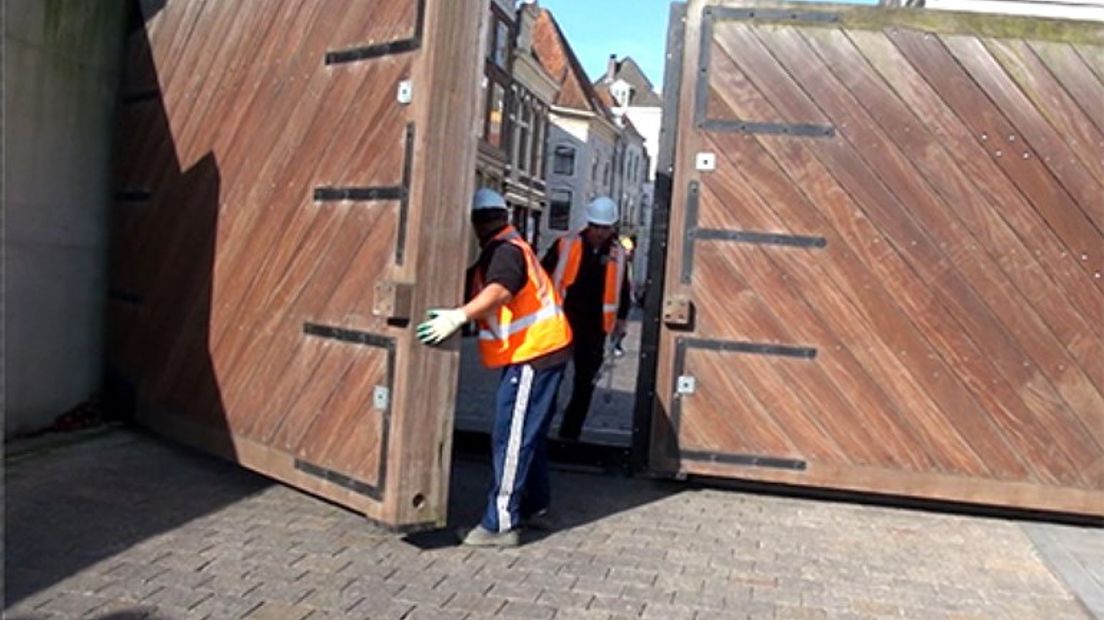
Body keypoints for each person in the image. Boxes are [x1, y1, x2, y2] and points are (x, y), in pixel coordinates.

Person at [416, 188, 572, 547]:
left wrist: (458, 316)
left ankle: (500, 523)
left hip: (534, 353)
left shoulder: (505, 252)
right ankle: (536, 506)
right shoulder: (506, 246)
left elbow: (500, 291)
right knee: (526, 432)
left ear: (475, 222)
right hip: (542, 350)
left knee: (511, 437)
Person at [541, 196, 631, 442]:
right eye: (596, 226)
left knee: (585, 383)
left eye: (605, 227)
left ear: (612, 227)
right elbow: (543, 275)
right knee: (550, 379)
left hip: (595, 328)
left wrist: (621, 319)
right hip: (562, 322)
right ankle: (540, 428)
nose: (600, 233)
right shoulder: (566, 245)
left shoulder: (618, 253)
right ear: (588, 223)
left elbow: (623, 288)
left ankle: (570, 434)